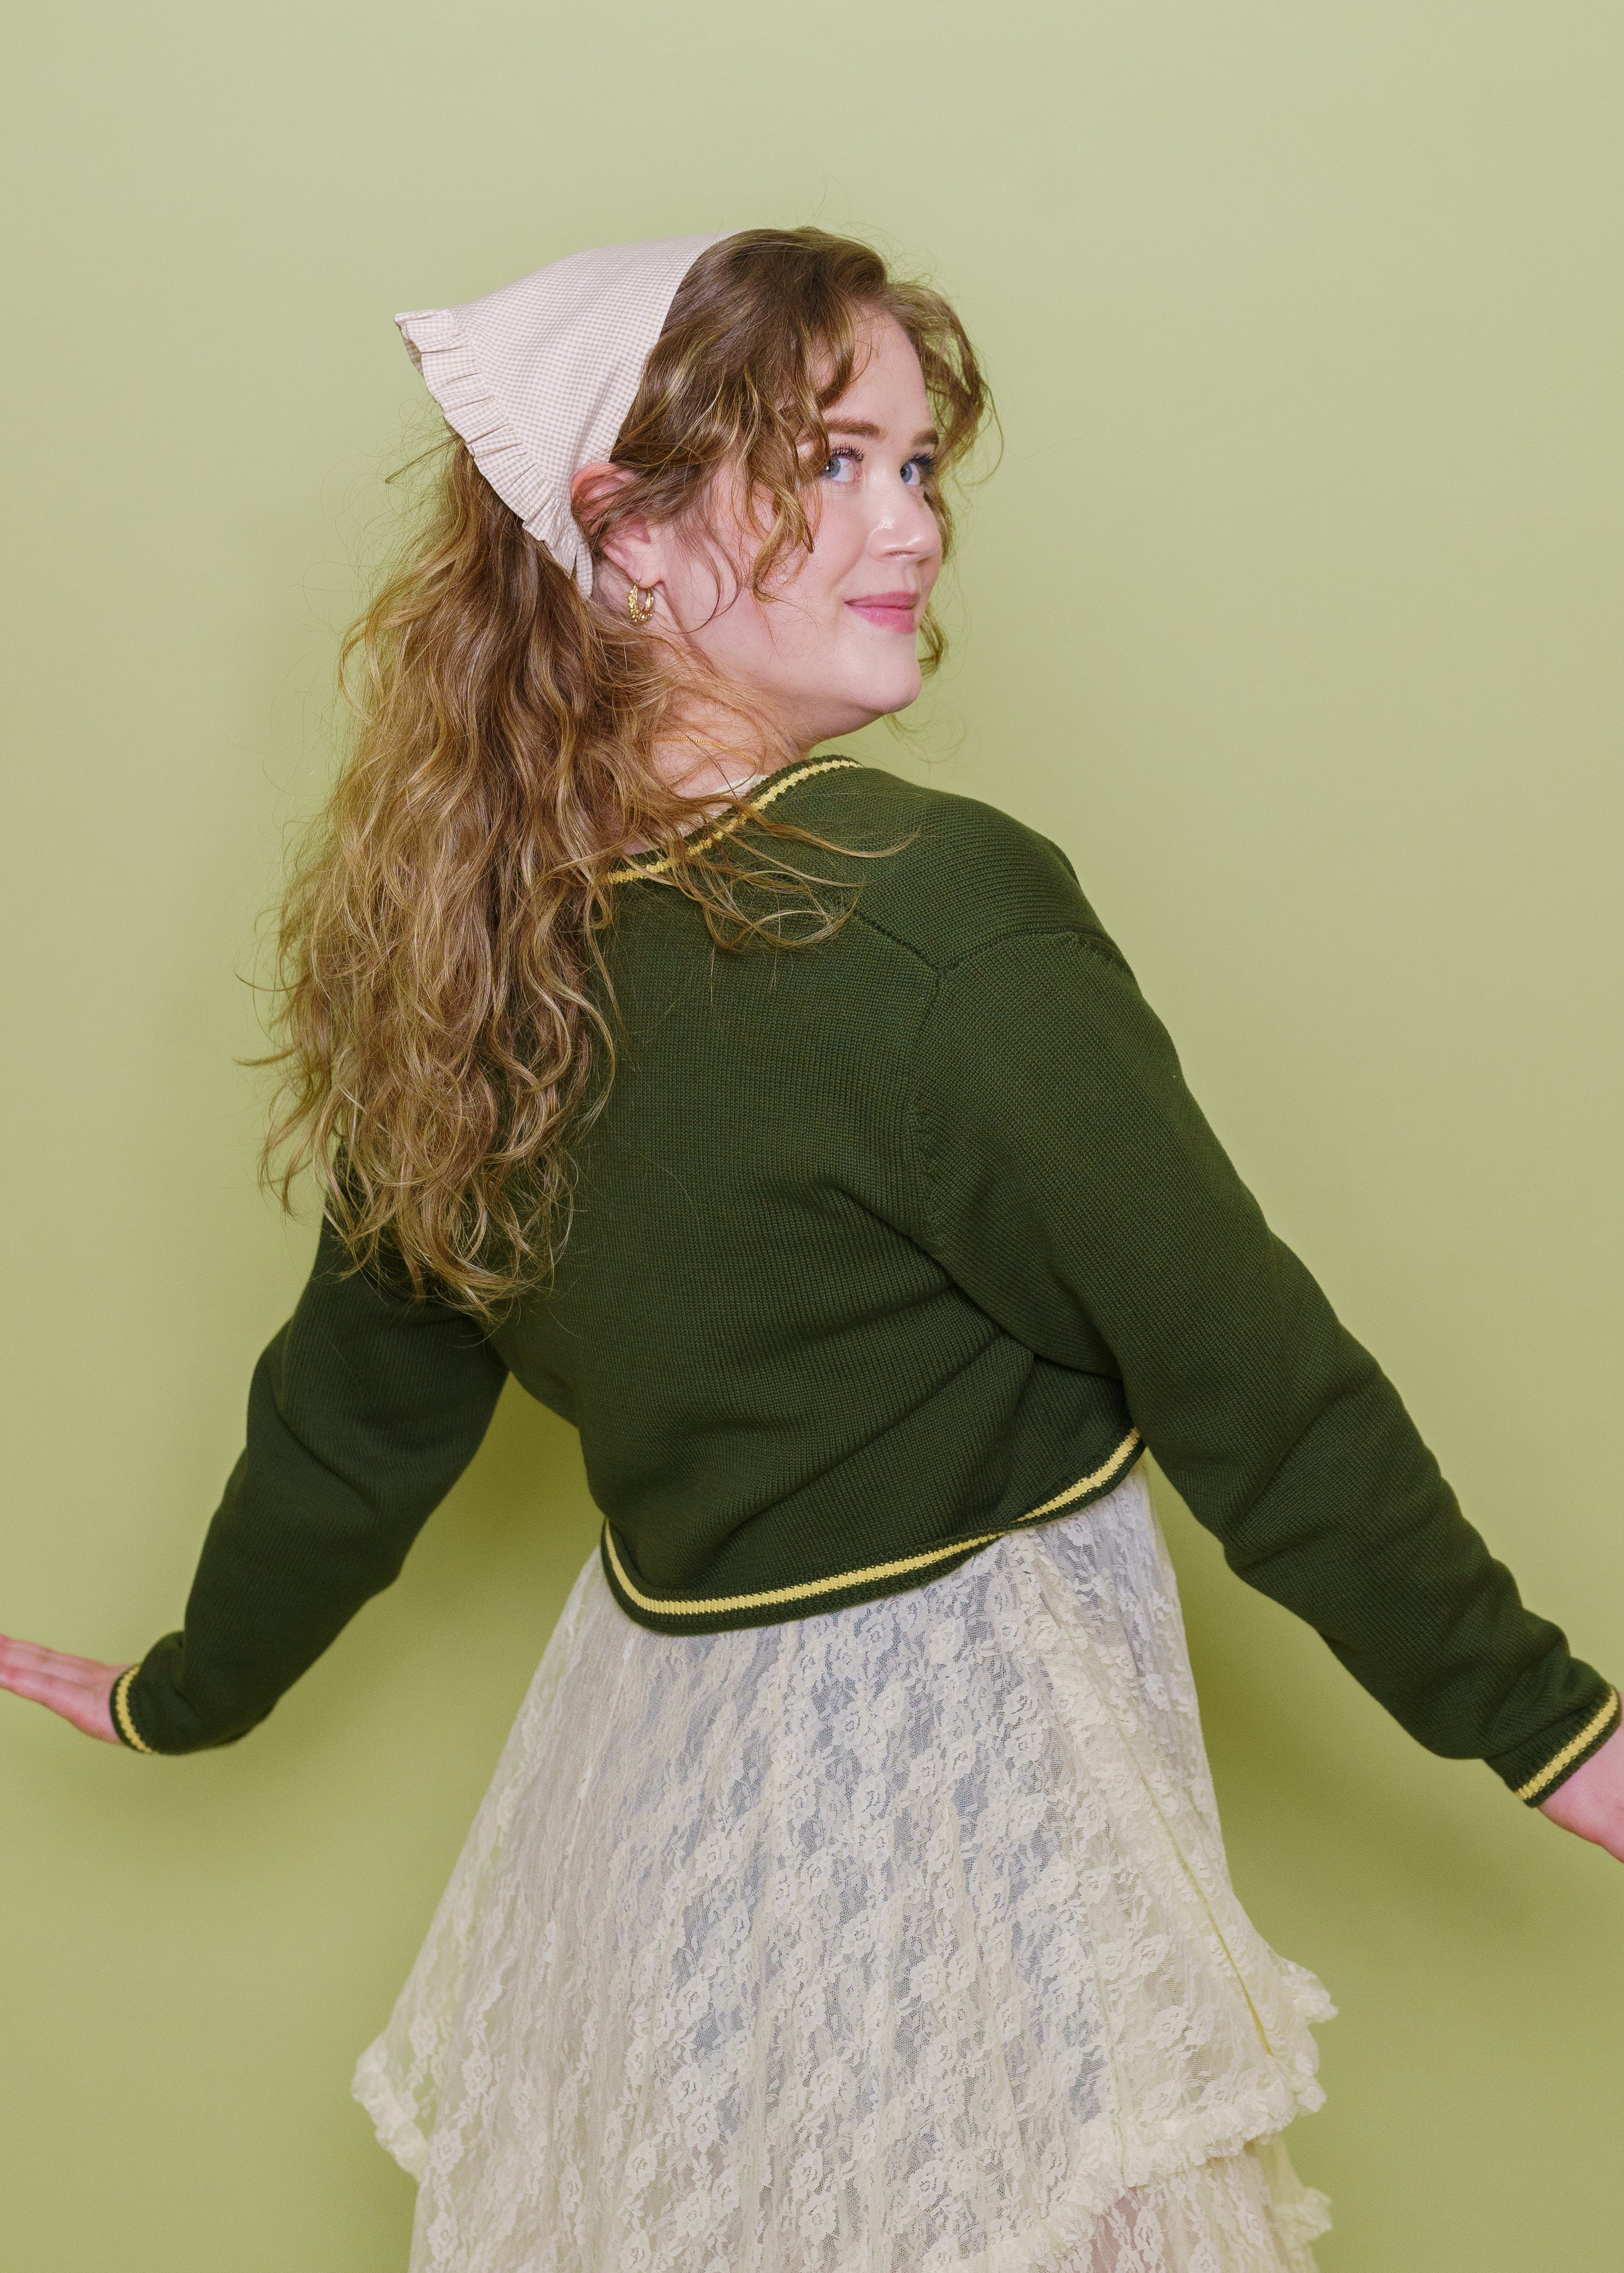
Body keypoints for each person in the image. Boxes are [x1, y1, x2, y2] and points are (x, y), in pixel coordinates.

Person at [2, 226, 1620, 2273]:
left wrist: (189, 1690)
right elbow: (1251, 1382)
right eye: (831, 462)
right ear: (635, 534)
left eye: (921, 465)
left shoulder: (464, 956)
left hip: (653, 1797)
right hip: (985, 1792)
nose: (912, 528)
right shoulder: (935, 915)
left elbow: (356, 1412)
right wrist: (1563, 1731)